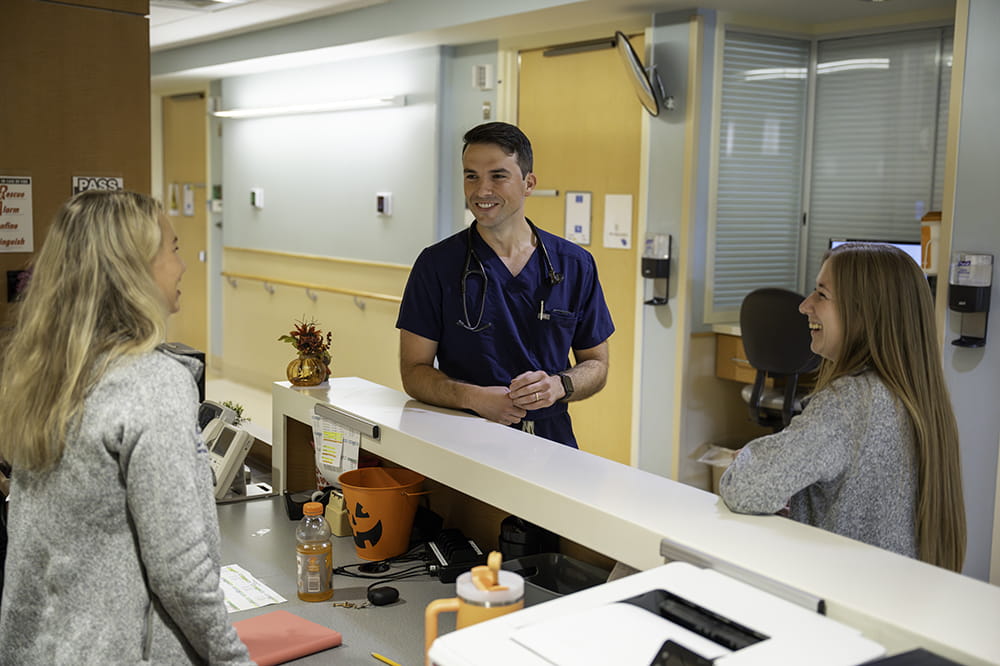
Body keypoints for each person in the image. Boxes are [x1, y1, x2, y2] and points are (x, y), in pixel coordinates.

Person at [0, 191, 251, 663]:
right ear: (135, 268)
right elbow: (181, 573)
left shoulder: (50, 374)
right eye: (173, 248)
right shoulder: (151, 383)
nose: (182, 264)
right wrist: (235, 660)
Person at [720, 242, 966, 572]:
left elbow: (744, 489)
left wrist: (753, 456)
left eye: (822, 295)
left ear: (866, 313)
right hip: (891, 596)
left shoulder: (849, 402)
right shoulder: (917, 398)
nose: (805, 306)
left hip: (838, 596)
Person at [396, 122, 615, 448]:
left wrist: (558, 386)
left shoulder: (573, 265)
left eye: (498, 176)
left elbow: (596, 363)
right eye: (471, 176)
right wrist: (475, 397)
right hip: (461, 438)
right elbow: (414, 371)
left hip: (551, 442)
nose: (482, 190)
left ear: (528, 183)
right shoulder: (437, 265)